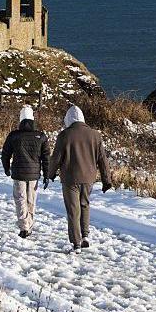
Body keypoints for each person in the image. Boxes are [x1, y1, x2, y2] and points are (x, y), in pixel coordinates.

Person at [48, 105, 113, 253]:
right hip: (88, 177)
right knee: (85, 205)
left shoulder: (64, 135)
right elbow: (102, 159)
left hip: (70, 178)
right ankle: (85, 236)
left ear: (68, 119)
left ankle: (76, 243)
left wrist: (50, 174)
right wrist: (106, 179)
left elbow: (56, 158)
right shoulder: (95, 135)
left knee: (73, 210)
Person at [1, 104, 50, 239]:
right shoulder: (41, 136)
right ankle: (29, 224)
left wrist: (6, 167)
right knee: (31, 200)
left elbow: (5, 154)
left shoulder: (14, 136)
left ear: (21, 120)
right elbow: (46, 157)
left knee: (20, 199)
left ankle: (24, 227)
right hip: (34, 174)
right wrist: (47, 175)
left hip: (18, 173)